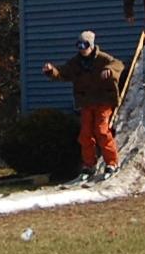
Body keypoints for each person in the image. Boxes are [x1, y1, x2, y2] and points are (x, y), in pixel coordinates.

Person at [42, 29, 124, 181]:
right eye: (78, 45)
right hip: (87, 102)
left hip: (103, 100)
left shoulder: (102, 58)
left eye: (85, 45)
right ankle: (89, 165)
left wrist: (109, 70)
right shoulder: (76, 63)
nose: (82, 48)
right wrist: (52, 71)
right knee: (85, 134)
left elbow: (118, 64)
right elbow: (63, 72)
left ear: (91, 45)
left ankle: (112, 162)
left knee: (101, 130)